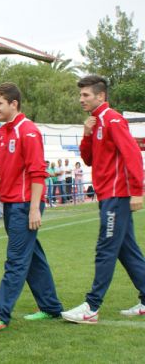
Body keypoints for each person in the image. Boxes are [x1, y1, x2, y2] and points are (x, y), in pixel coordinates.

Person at [0, 82, 63, 332]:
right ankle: (51, 307)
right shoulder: (4, 132)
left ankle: (0, 315)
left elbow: (37, 173)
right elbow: (4, 172)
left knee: (15, 260)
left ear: (14, 104)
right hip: (12, 204)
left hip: (25, 205)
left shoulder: (29, 131)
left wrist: (35, 208)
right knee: (33, 258)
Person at [61, 75, 145, 323]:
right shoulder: (95, 122)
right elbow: (88, 159)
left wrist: (138, 191)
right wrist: (86, 133)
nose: (81, 99)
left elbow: (132, 155)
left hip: (117, 195)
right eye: (81, 95)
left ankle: (92, 307)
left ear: (101, 96)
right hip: (107, 194)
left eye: (86, 95)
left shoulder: (114, 119)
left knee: (105, 249)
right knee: (126, 251)